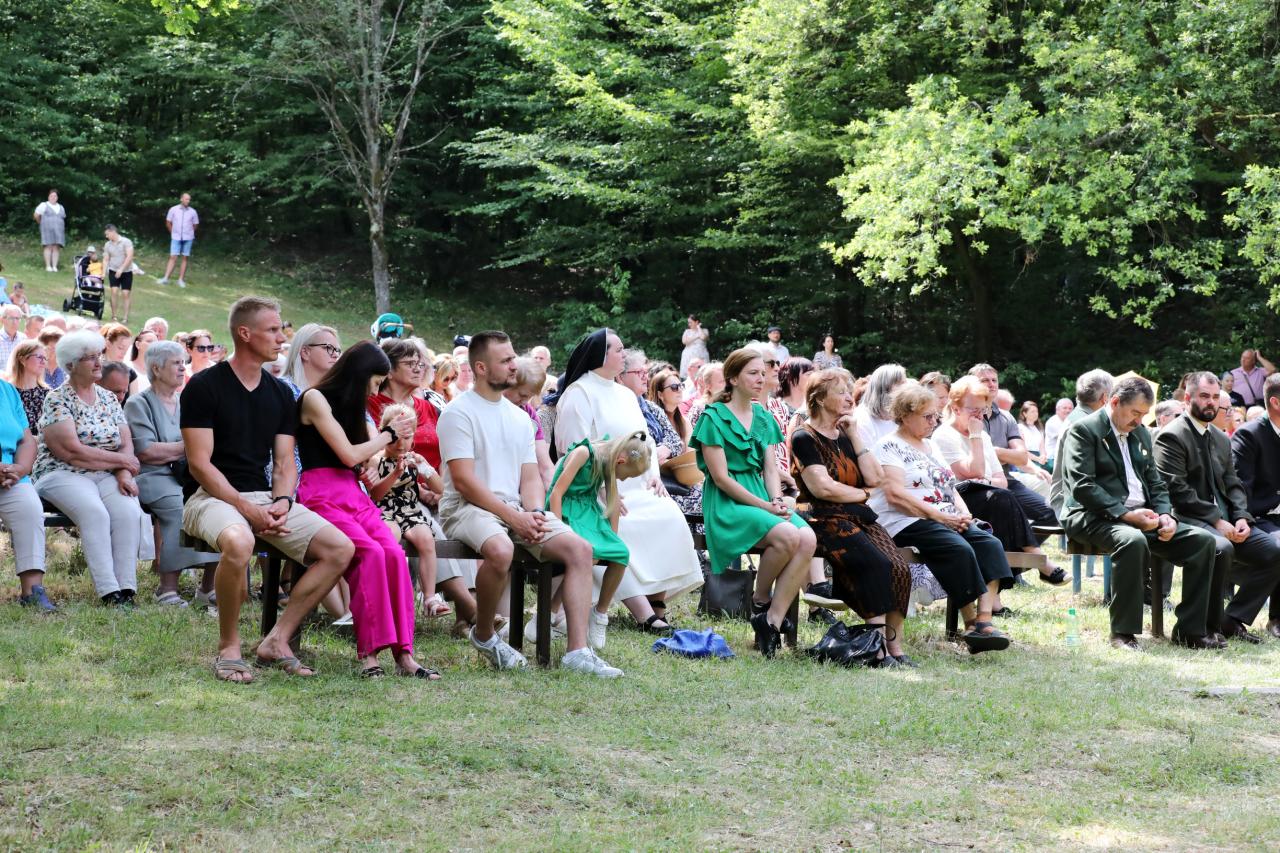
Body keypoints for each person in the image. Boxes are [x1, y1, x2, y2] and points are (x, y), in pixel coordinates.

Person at [181, 296, 355, 683]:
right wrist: (246, 508)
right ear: (245, 333)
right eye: (273, 330)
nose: (281, 338)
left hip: (264, 497)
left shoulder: (279, 392)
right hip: (209, 497)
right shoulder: (204, 386)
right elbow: (200, 465)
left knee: (340, 548)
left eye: (281, 330)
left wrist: (282, 501)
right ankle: (229, 647)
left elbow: (284, 463)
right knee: (240, 541)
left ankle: (277, 640)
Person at [438, 330, 623, 677]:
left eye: (513, 357)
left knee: (580, 549)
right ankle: (484, 634)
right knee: (501, 550)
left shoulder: (521, 418)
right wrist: (515, 517)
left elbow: (530, 478)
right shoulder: (457, 413)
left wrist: (536, 512)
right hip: (465, 506)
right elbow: (463, 481)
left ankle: (577, 652)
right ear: (480, 368)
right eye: (506, 360)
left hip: (516, 508)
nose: (514, 365)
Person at [296, 341, 438, 679]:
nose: (375, 392)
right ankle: (369, 655)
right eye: (374, 383)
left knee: (393, 553)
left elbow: (364, 455)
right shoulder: (314, 398)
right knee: (370, 554)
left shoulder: (355, 408)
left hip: (353, 493)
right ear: (359, 375)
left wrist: (371, 467)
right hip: (320, 493)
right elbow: (348, 453)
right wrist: (388, 435)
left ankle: (405, 654)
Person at [553, 330, 703, 634]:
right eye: (619, 350)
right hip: (595, 488)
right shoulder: (579, 393)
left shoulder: (625, 394)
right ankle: (643, 614)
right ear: (601, 354)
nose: (624, 354)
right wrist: (603, 489)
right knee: (622, 525)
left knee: (669, 516)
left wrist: (654, 476)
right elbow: (573, 448)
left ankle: (657, 603)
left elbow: (643, 442)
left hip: (638, 483)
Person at [1058, 376, 1219, 650]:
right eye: (1135, 413)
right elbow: (1083, 486)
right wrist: (1124, 514)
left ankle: (1190, 631)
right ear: (1114, 402)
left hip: (1141, 515)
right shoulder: (1084, 430)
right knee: (1132, 540)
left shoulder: (1141, 432)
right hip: (1091, 514)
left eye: (1144, 414)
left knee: (1203, 541)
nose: (1139, 420)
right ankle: (1123, 633)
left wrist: (1165, 514)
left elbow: (1156, 483)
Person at [868, 382, 1015, 653]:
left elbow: (949, 486)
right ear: (905, 415)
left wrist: (963, 512)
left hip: (943, 517)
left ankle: (984, 621)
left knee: (990, 544)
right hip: (905, 520)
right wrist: (941, 517)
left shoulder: (930, 445)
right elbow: (896, 496)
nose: (934, 421)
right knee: (957, 548)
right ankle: (971, 624)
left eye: (935, 415)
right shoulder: (888, 446)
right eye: (927, 416)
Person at [691, 347, 815, 657]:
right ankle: (759, 601)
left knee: (808, 538)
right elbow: (721, 479)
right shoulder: (712, 417)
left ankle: (771, 620)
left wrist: (776, 499)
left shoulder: (762, 416)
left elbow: (770, 469)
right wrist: (765, 507)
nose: (761, 379)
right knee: (788, 535)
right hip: (727, 501)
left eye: (763, 373)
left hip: (761, 495)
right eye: (753, 373)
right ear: (733, 379)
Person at [791, 369, 912, 665]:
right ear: (820, 399)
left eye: (849, 391)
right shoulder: (804, 437)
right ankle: (876, 647)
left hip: (858, 515)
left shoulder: (847, 434)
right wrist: (862, 494)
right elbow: (822, 488)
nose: (849, 397)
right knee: (875, 564)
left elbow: (876, 477)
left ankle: (894, 647)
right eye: (841, 392)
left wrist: (855, 435)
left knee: (899, 568)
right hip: (823, 516)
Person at [1154, 371, 1280, 644]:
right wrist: (1217, 521)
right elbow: (1177, 491)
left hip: (1225, 521)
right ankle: (1194, 629)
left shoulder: (1220, 438)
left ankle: (1230, 619)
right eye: (1203, 396)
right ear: (1187, 399)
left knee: (1274, 551)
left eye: (1214, 396)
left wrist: (1242, 517)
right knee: (1220, 547)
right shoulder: (1172, 435)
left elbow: (1234, 484)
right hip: (1185, 518)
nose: (1210, 402)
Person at [32, 330, 145, 605]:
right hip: (61, 472)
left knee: (129, 511)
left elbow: (125, 443)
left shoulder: (108, 398)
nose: (98, 363)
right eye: (89, 358)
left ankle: (127, 589)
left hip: (105, 472)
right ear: (71, 365)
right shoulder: (57, 399)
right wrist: (123, 463)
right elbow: (72, 452)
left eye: (99, 356)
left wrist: (124, 473)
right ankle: (109, 591)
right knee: (95, 513)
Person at [931, 376, 1067, 587]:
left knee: (1002, 498)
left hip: (990, 499)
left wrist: (984, 479)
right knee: (1001, 499)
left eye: (982, 410)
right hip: (957, 504)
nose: (979, 416)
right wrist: (975, 437)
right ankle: (1038, 559)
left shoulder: (983, 436)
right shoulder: (944, 435)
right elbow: (973, 472)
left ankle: (995, 598)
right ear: (956, 408)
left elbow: (1001, 480)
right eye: (973, 410)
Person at [124, 341, 218, 607]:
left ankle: (208, 588)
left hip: (188, 474)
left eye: (183, 362)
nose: (183, 367)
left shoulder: (185, 400)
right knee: (181, 508)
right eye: (176, 363)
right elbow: (146, 451)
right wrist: (190, 447)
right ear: (156, 368)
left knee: (217, 506)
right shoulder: (138, 403)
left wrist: (185, 449)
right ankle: (167, 589)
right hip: (152, 476)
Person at [546, 431, 653, 649]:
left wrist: (612, 540)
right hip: (566, 511)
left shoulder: (610, 460)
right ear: (621, 461)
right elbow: (556, 493)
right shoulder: (584, 453)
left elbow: (612, 502)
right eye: (626, 476)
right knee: (589, 555)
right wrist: (558, 530)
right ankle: (550, 610)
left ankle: (600, 613)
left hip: (588, 514)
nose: (623, 479)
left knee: (621, 554)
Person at [365, 402, 450, 620]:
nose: (401, 444)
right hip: (384, 510)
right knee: (390, 537)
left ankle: (429, 597)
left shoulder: (414, 460)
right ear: (384, 433)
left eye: (407, 437)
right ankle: (392, 594)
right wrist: (395, 473)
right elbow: (376, 495)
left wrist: (425, 469)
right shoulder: (376, 460)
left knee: (426, 539)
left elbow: (440, 489)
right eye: (395, 437)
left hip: (410, 511)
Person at [969, 364, 1057, 524]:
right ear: (971, 384)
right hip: (978, 483)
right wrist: (1007, 455)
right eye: (985, 380)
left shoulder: (1006, 417)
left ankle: (1024, 540)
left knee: (1051, 512)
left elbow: (1022, 457)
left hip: (1006, 479)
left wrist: (993, 451)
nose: (991, 384)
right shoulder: (966, 414)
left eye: (994, 380)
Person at [1229, 371, 1280, 639]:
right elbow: (1240, 486)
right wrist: (1243, 518)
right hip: (1258, 516)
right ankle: (1235, 617)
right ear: (1276, 402)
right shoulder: (1249, 435)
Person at [0, 372, 52, 610]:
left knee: (29, 508)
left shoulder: (7, 391)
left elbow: (26, 440)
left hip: (10, 475)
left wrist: (20, 468)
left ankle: (32, 591)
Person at [1049, 369, 1114, 516]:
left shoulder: (1082, 417)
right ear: (1105, 398)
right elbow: (1085, 481)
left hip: (1074, 497)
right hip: (1072, 504)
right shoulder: (1084, 423)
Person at [503, 357, 555, 490]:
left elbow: (545, 465)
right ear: (508, 383)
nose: (525, 402)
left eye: (530, 397)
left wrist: (555, 492)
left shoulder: (528, 413)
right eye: (522, 395)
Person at [854, 363, 906, 448]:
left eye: (905, 383)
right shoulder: (862, 418)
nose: (906, 388)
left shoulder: (900, 416)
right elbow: (868, 454)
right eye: (900, 383)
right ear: (883, 388)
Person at [6, 340, 49, 435]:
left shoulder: (49, 394)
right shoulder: (6, 393)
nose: (43, 362)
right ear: (22, 360)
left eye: (45, 358)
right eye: (39, 357)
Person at [159, 193, 199, 288]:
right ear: (181, 199)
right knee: (173, 257)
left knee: (185, 258)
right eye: (186, 199)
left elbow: (195, 225)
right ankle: (165, 278)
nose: (188, 201)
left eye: (189, 199)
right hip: (176, 237)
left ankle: (180, 280)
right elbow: (168, 223)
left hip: (188, 238)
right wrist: (173, 233)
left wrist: (189, 233)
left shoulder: (193, 212)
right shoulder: (173, 209)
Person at [648, 368, 691, 446]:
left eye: (681, 385)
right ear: (660, 395)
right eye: (674, 387)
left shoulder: (685, 422)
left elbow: (690, 452)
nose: (680, 390)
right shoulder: (652, 424)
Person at [102, 225, 135, 324]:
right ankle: (114, 316)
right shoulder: (107, 244)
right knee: (114, 291)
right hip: (113, 270)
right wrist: (103, 272)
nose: (106, 236)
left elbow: (129, 257)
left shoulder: (126, 242)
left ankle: (125, 318)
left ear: (113, 232)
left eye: (107, 234)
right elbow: (106, 259)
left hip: (126, 272)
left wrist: (121, 269)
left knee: (125, 294)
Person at [34, 189, 66, 272]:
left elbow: (62, 217)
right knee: (48, 246)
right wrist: (41, 223)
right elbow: (36, 215)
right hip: (47, 229)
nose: (53, 197)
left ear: (57, 197)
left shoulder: (61, 207)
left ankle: (54, 266)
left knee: (56, 247)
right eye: (51, 196)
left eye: (55, 196)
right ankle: (48, 266)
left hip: (59, 230)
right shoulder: (44, 205)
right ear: (48, 197)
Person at [684, 360, 724, 424]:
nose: (728, 385)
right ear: (708, 386)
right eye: (722, 381)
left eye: (728, 380)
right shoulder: (699, 410)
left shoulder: (736, 407)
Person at [1017, 401, 1047, 469]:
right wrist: (1038, 459)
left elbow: (1042, 448)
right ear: (1025, 414)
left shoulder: (1040, 429)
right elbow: (1022, 450)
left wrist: (1043, 456)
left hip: (1039, 459)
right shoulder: (1020, 428)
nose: (1035, 414)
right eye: (1032, 412)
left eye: (1036, 411)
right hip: (1025, 460)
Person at [129, 329, 158, 395]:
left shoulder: (158, 371)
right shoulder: (127, 367)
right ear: (137, 344)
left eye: (156, 343)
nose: (153, 345)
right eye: (149, 341)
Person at [0, 305, 26, 371]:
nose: (14, 322)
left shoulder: (24, 339)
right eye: (11, 318)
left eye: (17, 318)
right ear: (2, 320)